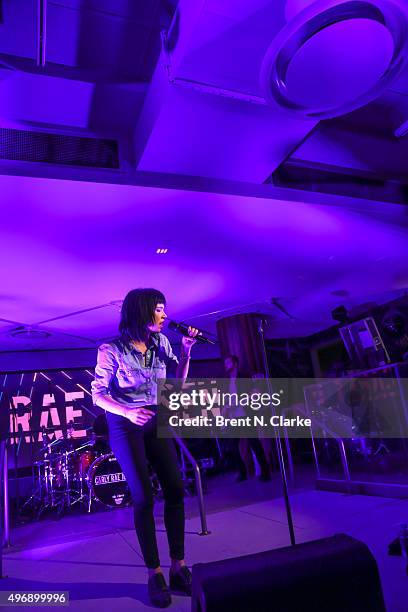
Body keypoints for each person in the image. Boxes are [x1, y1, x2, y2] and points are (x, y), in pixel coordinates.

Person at [92, 288, 198, 608]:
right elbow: (97, 394)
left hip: (155, 418)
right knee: (143, 498)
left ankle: (178, 567)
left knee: (177, 489)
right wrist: (127, 411)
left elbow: (176, 384)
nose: (165, 315)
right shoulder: (111, 349)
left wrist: (187, 351)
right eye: (159, 309)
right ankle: (154, 573)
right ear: (141, 312)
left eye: (165, 309)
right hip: (125, 423)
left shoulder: (163, 343)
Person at [223, 356, 271, 482]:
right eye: (225, 363)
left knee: (255, 444)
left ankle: (266, 472)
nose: (226, 365)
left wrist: (240, 402)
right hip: (234, 418)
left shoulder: (244, 377)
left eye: (228, 362)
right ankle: (242, 473)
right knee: (232, 446)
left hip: (246, 415)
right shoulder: (228, 381)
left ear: (235, 363)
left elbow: (254, 394)